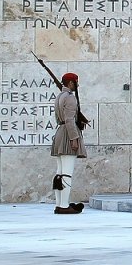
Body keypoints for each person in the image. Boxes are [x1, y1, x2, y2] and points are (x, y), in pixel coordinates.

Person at [51, 72, 87, 214]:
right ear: (71, 83)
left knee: (60, 172)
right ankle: (64, 206)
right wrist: (74, 139)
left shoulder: (60, 96)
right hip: (68, 134)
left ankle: (60, 204)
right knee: (66, 173)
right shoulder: (70, 98)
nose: (77, 85)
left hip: (60, 132)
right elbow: (70, 120)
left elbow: (60, 118)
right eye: (76, 82)